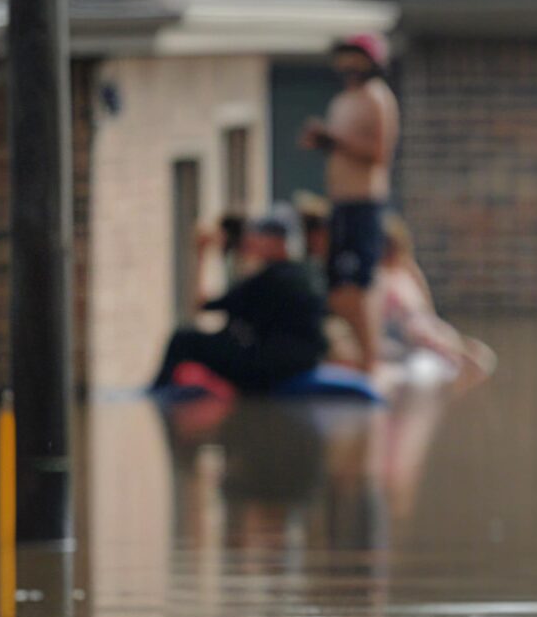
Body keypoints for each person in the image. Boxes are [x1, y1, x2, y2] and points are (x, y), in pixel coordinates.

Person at [299, 33, 400, 377]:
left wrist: (334, 139)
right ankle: (358, 356)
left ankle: (372, 361)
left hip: (364, 203)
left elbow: (379, 154)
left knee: (360, 284)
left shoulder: (377, 98)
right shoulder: (343, 100)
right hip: (340, 202)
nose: (347, 66)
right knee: (339, 285)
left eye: (355, 58)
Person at [150, 207, 329, 398]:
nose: (253, 240)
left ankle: (157, 396)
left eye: (260, 235)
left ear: (276, 240)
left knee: (182, 339)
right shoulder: (310, 271)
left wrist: (202, 254)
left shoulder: (270, 278)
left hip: (269, 367)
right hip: (307, 359)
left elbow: (202, 304)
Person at [376, 213, 497, 391]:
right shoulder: (384, 281)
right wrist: (451, 349)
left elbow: (426, 315)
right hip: (410, 340)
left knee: (480, 355)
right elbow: (413, 327)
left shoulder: (404, 274)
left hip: (426, 334)